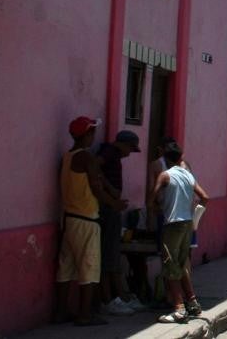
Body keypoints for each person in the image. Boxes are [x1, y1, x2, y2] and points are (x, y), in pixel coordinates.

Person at [54, 116, 125, 326]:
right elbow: (95, 187)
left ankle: (60, 312)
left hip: (68, 219)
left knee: (65, 268)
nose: (94, 136)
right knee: (90, 267)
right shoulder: (87, 157)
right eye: (92, 132)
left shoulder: (67, 157)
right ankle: (85, 314)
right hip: (86, 218)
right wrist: (114, 203)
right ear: (86, 135)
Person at [152, 141, 209, 323]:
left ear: (166, 159)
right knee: (182, 263)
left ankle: (178, 308)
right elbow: (205, 197)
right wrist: (195, 220)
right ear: (180, 157)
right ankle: (192, 302)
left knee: (170, 265)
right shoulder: (188, 175)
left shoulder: (165, 175)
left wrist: (157, 206)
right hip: (187, 224)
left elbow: (152, 197)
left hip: (172, 224)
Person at [96, 129, 144, 315]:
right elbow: (95, 166)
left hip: (111, 208)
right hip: (107, 209)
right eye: (130, 149)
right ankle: (109, 300)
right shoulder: (108, 152)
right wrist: (111, 193)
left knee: (112, 255)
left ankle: (121, 296)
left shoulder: (112, 154)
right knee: (109, 255)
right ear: (123, 144)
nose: (129, 153)